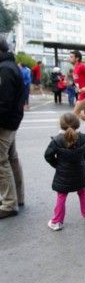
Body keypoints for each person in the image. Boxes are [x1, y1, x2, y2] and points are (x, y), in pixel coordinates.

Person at [44, 113, 85, 231]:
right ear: (77, 124)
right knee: (82, 193)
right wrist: (81, 161)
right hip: (79, 171)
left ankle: (57, 221)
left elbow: (48, 156)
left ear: (61, 125)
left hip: (63, 174)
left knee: (61, 196)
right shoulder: (84, 138)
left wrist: (57, 165)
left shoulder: (56, 140)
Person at [0, 36, 25, 219]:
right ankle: (17, 197)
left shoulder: (4, 70)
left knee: (2, 161)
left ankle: (9, 203)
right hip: (12, 120)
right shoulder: (11, 66)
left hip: (5, 122)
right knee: (11, 158)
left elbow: (4, 102)